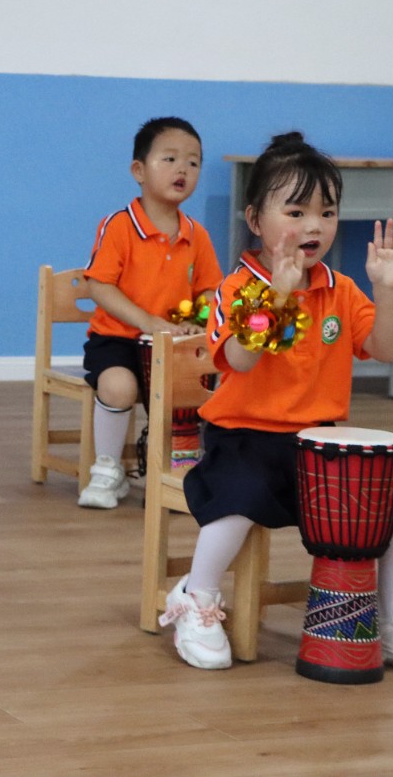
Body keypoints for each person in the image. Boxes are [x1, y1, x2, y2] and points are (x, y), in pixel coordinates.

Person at [160, 132, 393, 678]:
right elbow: (240, 358)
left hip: (315, 445)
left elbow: (386, 349)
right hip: (241, 439)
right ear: (255, 220)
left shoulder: (341, 289)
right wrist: (278, 295)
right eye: (296, 212)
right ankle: (195, 597)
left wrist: (388, 291)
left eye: (327, 212)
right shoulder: (236, 288)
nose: (314, 226)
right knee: (239, 497)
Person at [79, 117, 221, 508]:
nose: (182, 169)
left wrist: (198, 319)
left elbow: (210, 291)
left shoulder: (197, 234)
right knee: (118, 387)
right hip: (118, 339)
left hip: (174, 346)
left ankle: (181, 471)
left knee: (200, 389)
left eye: (193, 162)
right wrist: (147, 322)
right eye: (170, 159)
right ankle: (107, 469)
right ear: (138, 171)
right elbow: (98, 285)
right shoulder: (118, 226)